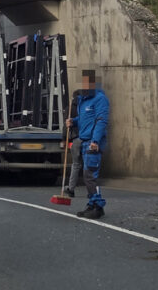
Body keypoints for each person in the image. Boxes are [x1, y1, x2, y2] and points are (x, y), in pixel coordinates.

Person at [66, 69, 110, 219]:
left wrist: (95, 141)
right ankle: (93, 204)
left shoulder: (100, 99)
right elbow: (84, 119)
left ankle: (97, 205)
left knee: (89, 175)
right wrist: (73, 121)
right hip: (85, 141)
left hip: (92, 143)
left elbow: (100, 121)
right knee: (88, 176)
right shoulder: (83, 100)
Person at [62, 89, 87, 198]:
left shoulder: (70, 109)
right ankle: (91, 191)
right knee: (87, 164)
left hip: (76, 138)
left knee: (76, 164)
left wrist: (64, 138)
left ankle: (71, 189)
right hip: (87, 138)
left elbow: (66, 126)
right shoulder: (86, 108)